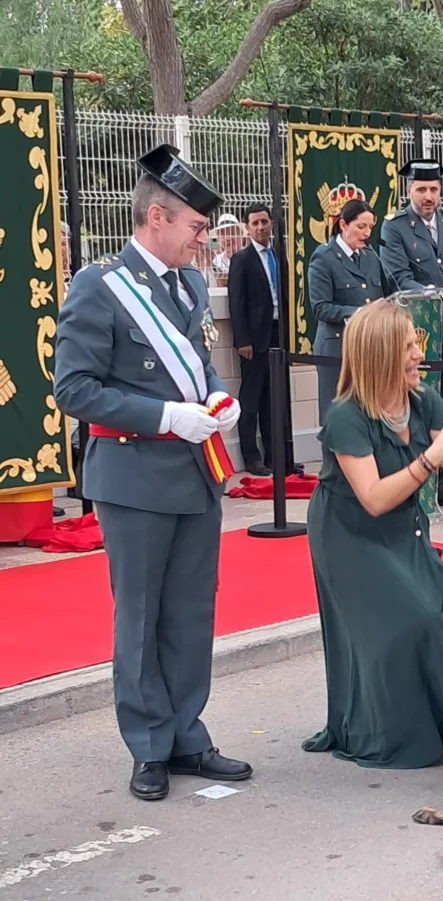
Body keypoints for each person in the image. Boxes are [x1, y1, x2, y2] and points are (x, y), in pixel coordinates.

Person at [54, 144, 252, 801]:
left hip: (196, 470)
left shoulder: (189, 285)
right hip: (134, 474)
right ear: (157, 217)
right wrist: (166, 416)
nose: (205, 242)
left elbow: (196, 365)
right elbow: (74, 390)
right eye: (199, 229)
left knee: (192, 611)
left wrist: (219, 396)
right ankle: (148, 745)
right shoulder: (98, 285)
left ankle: (186, 734)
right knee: (139, 615)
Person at [302, 299, 443, 769]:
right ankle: (392, 732)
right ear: (380, 354)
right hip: (349, 535)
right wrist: (431, 460)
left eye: (416, 344)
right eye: (407, 347)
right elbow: (374, 497)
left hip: (402, 528)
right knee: (411, 622)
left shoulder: (422, 400)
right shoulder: (346, 415)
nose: (417, 356)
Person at [308, 199, 394, 424]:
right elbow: (321, 307)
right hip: (337, 347)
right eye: (361, 227)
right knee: (337, 415)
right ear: (343, 225)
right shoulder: (323, 257)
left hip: (367, 347)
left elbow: (388, 293)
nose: (366, 233)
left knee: (368, 413)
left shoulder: (371, 257)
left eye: (370, 227)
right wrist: (362, 313)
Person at [228, 203, 286, 475]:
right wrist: (243, 341)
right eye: (255, 223)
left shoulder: (278, 255)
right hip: (254, 338)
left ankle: (275, 455)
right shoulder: (243, 259)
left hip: (277, 333)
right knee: (251, 399)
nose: (261, 227)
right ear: (247, 227)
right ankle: (251, 457)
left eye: (264, 222)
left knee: (273, 399)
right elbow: (236, 303)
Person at [379, 160, 443, 292]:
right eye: (421, 190)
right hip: (421, 307)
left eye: (434, 190)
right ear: (409, 191)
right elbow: (399, 278)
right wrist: (432, 293)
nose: (428, 197)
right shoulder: (395, 226)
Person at [211, 212, 245, 282]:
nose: (228, 238)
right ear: (218, 238)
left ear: (240, 235)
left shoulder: (250, 256)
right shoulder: (216, 261)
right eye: (223, 234)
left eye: (232, 233)